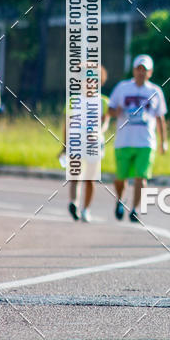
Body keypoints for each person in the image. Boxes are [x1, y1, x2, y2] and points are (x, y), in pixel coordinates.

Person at [108, 54, 168, 222]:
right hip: (124, 141)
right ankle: (120, 200)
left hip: (146, 141)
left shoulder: (155, 91)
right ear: (134, 70)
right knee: (121, 178)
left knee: (141, 177)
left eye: (145, 70)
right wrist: (116, 111)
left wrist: (164, 141)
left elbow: (160, 118)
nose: (141, 72)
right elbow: (110, 109)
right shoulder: (122, 88)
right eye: (139, 69)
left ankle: (135, 208)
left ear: (150, 72)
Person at [59, 64, 110, 222]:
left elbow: (106, 122)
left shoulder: (103, 101)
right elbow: (66, 124)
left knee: (90, 178)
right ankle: (74, 202)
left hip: (94, 142)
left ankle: (86, 209)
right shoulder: (73, 100)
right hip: (76, 140)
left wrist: (99, 132)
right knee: (75, 175)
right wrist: (64, 146)